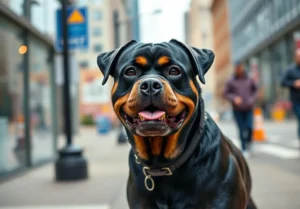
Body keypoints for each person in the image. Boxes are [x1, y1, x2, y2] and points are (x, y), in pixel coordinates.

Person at [224, 63, 258, 157]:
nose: (239, 70)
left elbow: (255, 91)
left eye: (240, 68)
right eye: (237, 68)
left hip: (248, 108)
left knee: (249, 127)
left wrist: (251, 100)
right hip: (237, 109)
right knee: (241, 129)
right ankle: (244, 149)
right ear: (235, 69)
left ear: (243, 68)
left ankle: (249, 143)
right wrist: (234, 98)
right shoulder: (231, 81)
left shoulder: (249, 79)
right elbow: (226, 93)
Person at [281, 49, 300, 146]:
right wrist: (293, 83)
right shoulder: (290, 70)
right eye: (298, 56)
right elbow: (283, 82)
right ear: (295, 57)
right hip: (296, 100)